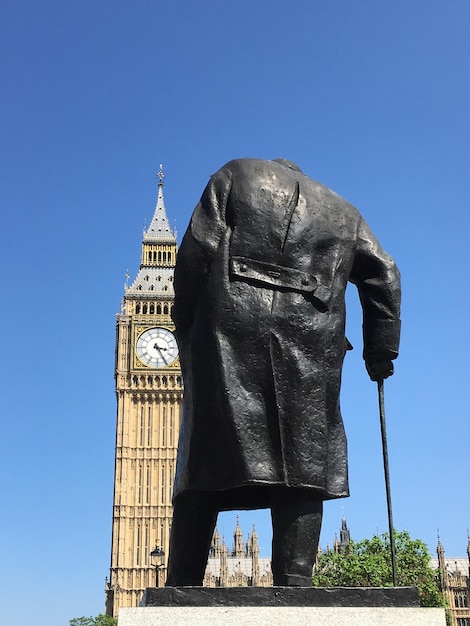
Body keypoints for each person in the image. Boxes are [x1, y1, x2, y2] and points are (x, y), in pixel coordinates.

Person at [166, 158, 401, 586]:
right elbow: (384, 273)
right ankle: (296, 579)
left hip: (229, 327)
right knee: (306, 455)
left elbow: (195, 255)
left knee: (206, 449)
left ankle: (182, 581)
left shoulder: (235, 175)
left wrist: (186, 328)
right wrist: (380, 349)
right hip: (312, 335)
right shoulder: (343, 211)